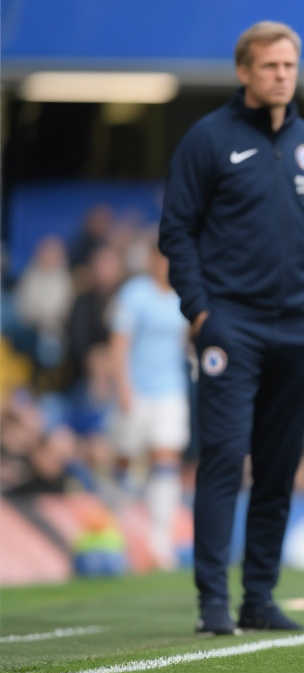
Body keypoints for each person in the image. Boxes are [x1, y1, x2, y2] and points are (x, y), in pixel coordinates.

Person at [159, 20, 304, 636]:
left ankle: (258, 597)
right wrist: (200, 310)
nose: (282, 76)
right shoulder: (208, 139)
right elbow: (176, 230)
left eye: (289, 66)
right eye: (270, 66)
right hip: (231, 325)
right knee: (222, 458)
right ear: (244, 72)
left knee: (279, 467)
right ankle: (212, 599)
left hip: (302, 329)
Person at [109, 238, 189, 570]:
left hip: (170, 391)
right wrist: (122, 386)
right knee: (126, 461)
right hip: (137, 390)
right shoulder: (134, 294)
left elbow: (185, 342)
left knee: (166, 458)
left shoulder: (183, 296)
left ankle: (161, 544)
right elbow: (119, 343)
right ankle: (119, 529)